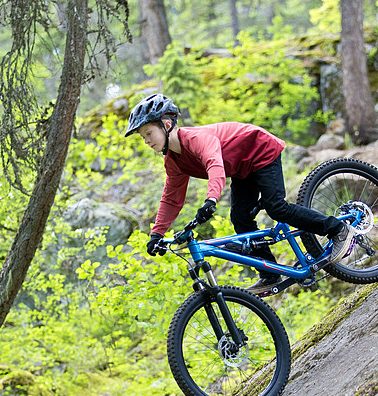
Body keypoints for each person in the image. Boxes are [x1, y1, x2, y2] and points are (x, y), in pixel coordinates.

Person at [125, 93, 355, 294]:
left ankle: (338, 229)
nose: (146, 141)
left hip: (261, 150)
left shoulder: (194, 139)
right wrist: (157, 233)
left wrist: (212, 199)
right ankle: (270, 273)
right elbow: (171, 198)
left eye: (148, 133)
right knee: (240, 219)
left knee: (276, 207)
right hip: (242, 170)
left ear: (166, 124)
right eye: (142, 136)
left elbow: (214, 164)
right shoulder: (173, 161)